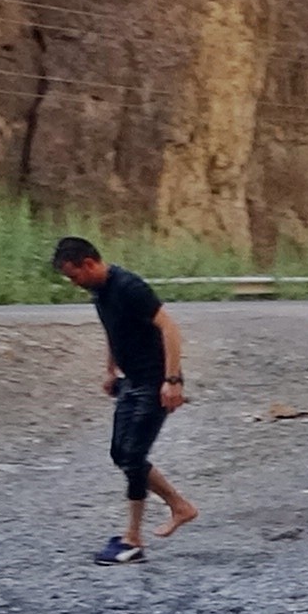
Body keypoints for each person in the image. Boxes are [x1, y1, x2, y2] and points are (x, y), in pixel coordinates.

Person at [52, 236, 201, 562]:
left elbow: (170, 329)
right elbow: (113, 331)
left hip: (155, 382)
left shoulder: (129, 286)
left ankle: (134, 539)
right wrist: (109, 370)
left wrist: (172, 380)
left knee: (133, 456)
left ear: (89, 264)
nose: (73, 283)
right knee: (120, 453)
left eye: (74, 276)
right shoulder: (99, 293)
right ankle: (180, 506)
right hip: (131, 381)